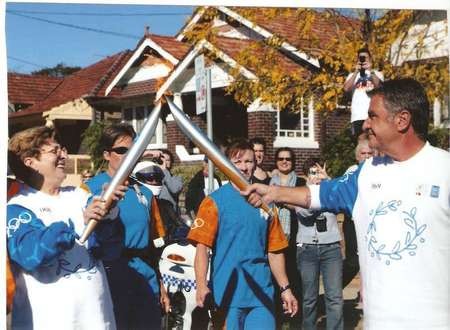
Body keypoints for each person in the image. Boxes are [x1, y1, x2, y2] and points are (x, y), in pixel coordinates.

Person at [243, 78, 450, 329]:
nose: (365, 124)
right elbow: (316, 195)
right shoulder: (366, 173)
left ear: (402, 120)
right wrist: (273, 192)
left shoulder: (443, 169)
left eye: (373, 116)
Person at [7, 126, 123, 329]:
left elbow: (110, 249)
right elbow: (30, 254)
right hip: (51, 321)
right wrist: (77, 224)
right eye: (54, 151)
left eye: (63, 149)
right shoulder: (17, 207)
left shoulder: (79, 195)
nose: (64, 155)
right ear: (30, 162)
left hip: (97, 318)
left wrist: (108, 213)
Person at [188, 139, 298, 330]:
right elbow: (202, 248)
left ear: (255, 164)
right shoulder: (213, 201)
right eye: (237, 162)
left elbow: (275, 251)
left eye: (248, 161)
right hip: (228, 293)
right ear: (227, 165)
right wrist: (201, 285)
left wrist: (285, 288)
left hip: (261, 293)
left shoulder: (266, 202)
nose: (244, 167)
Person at [85, 123, 170, 330]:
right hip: (110, 273)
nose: (128, 156)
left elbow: (153, 244)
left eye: (133, 151)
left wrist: (161, 284)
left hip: (144, 274)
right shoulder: (89, 189)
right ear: (107, 154)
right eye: (121, 151)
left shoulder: (146, 193)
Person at [295, 158, 343, 330]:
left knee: (335, 297)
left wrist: (328, 182)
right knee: (309, 298)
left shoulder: (330, 188)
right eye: (312, 173)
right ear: (306, 175)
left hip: (331, 247)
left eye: (318, 172)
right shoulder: (300, 191)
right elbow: (304, 213)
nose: (316, 176)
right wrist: (312, 191)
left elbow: (341, 203)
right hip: (307, 248)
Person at [269, 147, 305, 328]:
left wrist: (282, 198)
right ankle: (277, 320)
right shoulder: (269, 183)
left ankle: (295, 321)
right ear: (276, 161)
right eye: (281, 158)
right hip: (273, 238)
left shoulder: (299, 182)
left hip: (294, 238)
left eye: (288, 159)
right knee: (276, 283)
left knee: (294, 281)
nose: (284, 161)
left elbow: (303, 207)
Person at [342, 136, 375, 290]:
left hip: (372, 223)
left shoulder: (379, 171)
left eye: (370, 153)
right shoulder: (352, 171)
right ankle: (334, 289)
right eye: (363, 154)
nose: (367, 157)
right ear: (357, 156)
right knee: (353, 262)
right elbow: (342, 192)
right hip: (353, 222)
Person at [343, 47, 383, 138]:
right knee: (361, 142)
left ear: (370, 59)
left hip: (373, 115)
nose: (363, 60)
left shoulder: (377, 74)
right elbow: (346, 88)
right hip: (358, 115)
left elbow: (380, 88)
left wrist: (371, 71)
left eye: (365, 58)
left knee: (374, 141)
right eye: (361, 58)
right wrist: (356, 71)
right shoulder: (352, 75)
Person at [158, 149, 183, 214]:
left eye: (168, 160)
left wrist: (164, 171)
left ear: (171, 162)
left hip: (170, 216)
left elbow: (174, 189)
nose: (165, 162)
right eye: (162, 160)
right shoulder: (151, 178)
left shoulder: (176, 178)